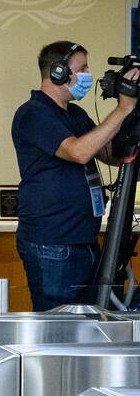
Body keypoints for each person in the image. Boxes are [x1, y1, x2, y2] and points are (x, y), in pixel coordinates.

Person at [12, 41, 139, 310]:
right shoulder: (34, 113)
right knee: (58, 329)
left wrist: (129, 115)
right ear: (59, 72)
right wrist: (123, 108)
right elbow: (79, 152)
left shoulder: (76, 114)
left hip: (84, 241)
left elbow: (110, 154)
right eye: (82, 68)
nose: (87, 75)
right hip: (53, 243)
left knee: (87, 328)